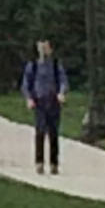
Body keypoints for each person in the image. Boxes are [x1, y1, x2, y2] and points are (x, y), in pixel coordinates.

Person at [21, 38, 70, 172]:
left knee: (53, 132)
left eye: (46, 47)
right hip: (39, 101)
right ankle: (39, 162)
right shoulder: (33, 65)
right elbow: (26, 84)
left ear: (50, 49)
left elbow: (63, 80)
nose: (43, 50)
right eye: (41, 47)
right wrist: (29, 99)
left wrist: (61, 93)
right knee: (40, 132)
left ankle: (54, 163)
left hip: (53, 101)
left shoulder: (55, 65)